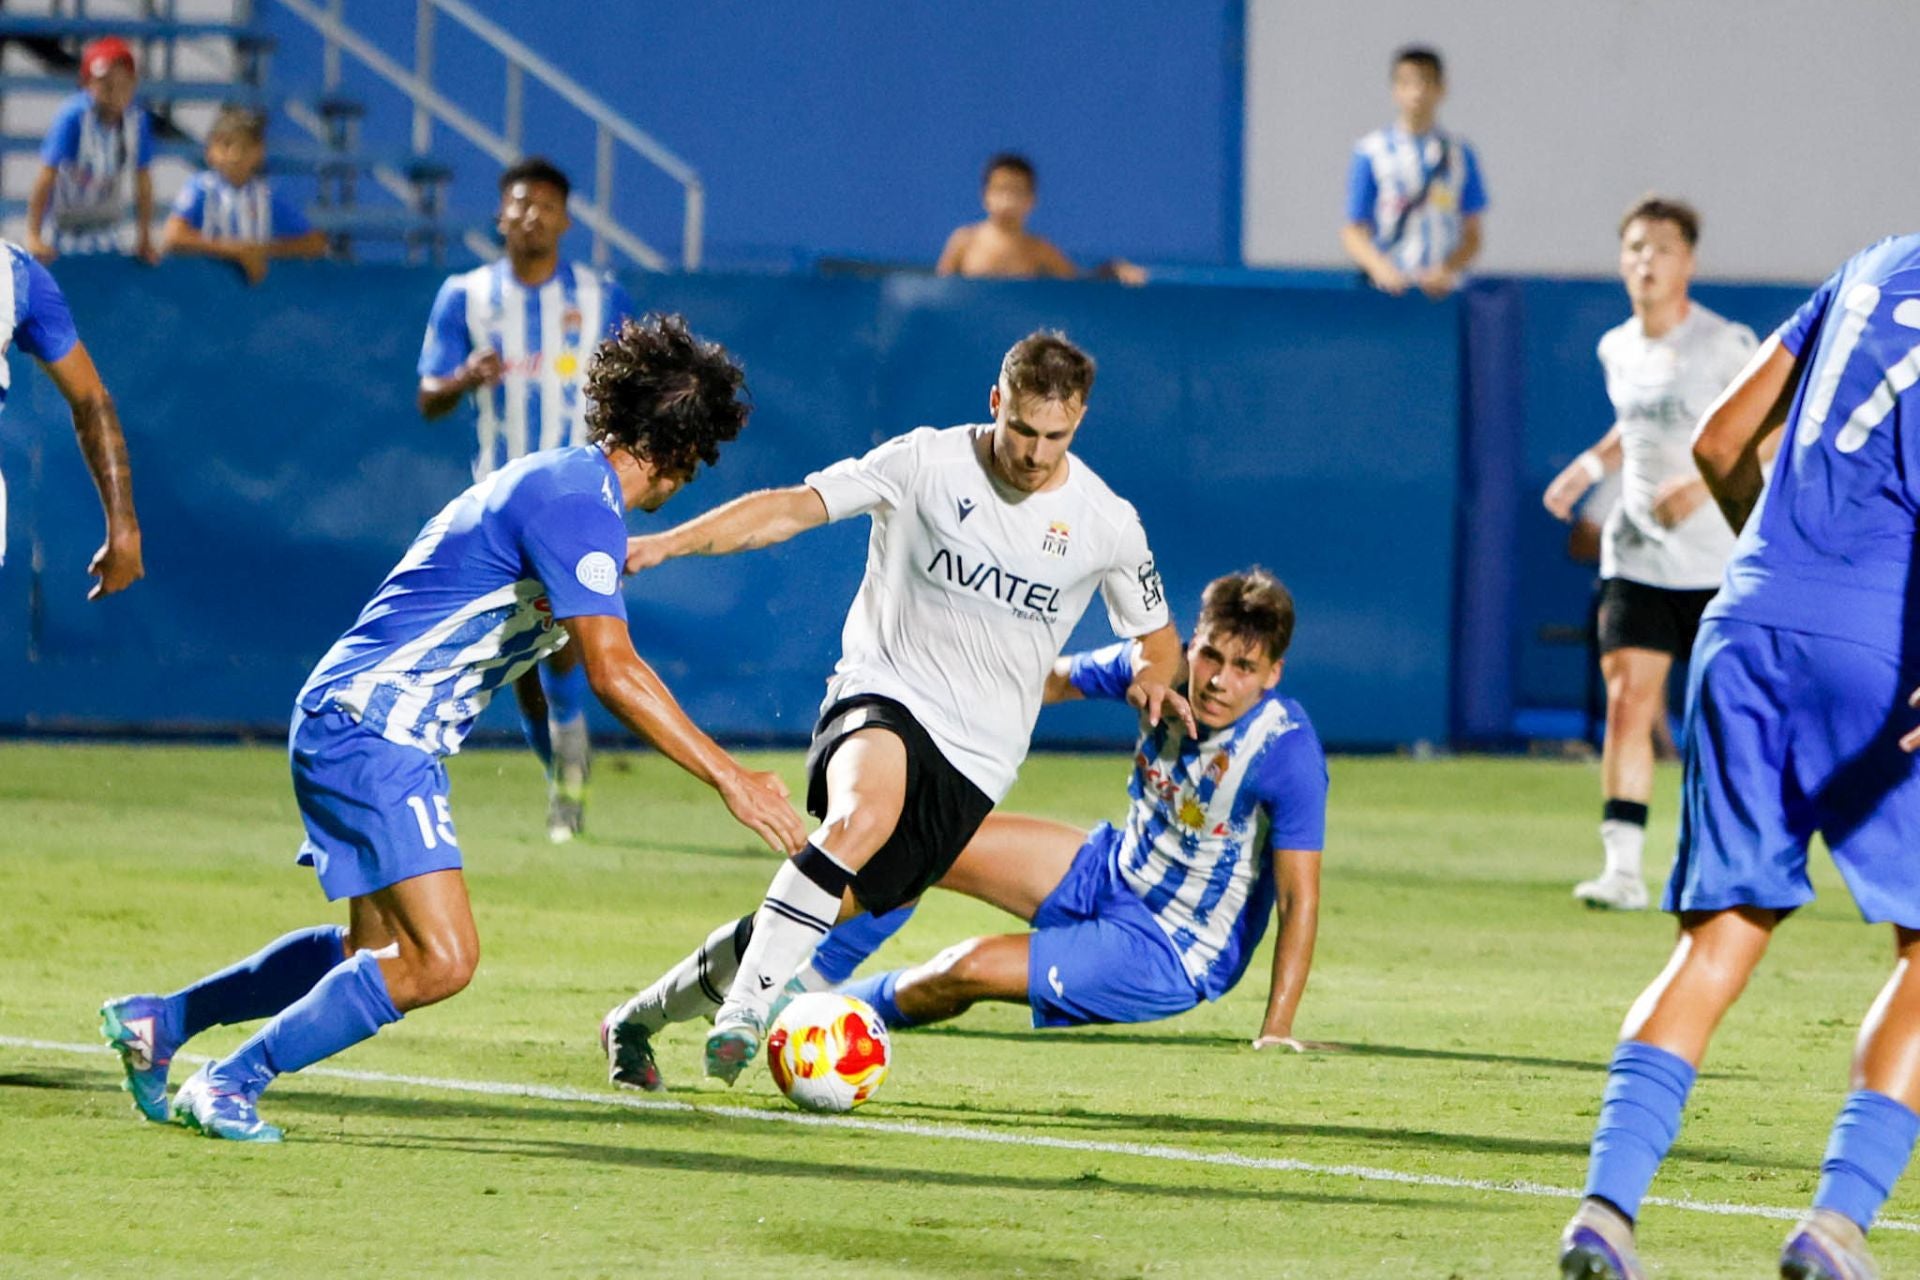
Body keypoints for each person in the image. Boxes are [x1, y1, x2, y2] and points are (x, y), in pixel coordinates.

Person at [97, 315, 807, 1143]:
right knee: (442, 959)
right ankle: (229, 1081)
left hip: (352, 717)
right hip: (375, 729)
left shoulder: (563, 484)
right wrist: (733, 778)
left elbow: (529, 633)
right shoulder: (579, 506)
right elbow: (613, 671)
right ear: (687, 450)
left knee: (368, 952)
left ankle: (162, 1022)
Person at [609, 330, 1188, 1085]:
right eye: (1022, 429)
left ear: (1078, 421)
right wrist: (668, 545)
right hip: (883, 694)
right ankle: (747, 1011)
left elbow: (1157, 641)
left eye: (1056, 437)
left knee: (807, 914)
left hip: (976, 765)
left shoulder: (1106, 522)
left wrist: (1153, 678)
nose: (1035, 453)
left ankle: (636, 1021)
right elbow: (791, 508)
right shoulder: (925, 463)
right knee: (860, 818)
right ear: (996, 401)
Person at [1557, 233, 1920, 1280]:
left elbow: (1720, 443)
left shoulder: (1872, 265)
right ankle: (1836, 1225)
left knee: (1717, 940)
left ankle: (1604, 1213)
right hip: (1875, 650)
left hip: (1745, 622)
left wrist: (1780, 572)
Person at [602, 570, 1328, 1089]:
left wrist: (1277, 1026)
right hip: (1109, 868)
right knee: (921, 843)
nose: (1218, 680)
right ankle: (800, 976)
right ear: (1193, 644)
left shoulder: (1285, 753)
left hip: (1172, 946)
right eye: (1210, 655)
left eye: (1244, 667)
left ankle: (821, 1012)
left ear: (1272, 674)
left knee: (966, 968)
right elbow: (1043, 681)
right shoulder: (1155, 674)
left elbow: (1299, 898)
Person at [1542, 197, 1758, 911]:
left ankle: (1729, 867)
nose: (1646, 260)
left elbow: (1771, 434)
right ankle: (1623, 870)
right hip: (1635, 555)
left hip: (1716, 563)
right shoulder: (1617, 347)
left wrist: (1699, 487)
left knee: (1727, 720)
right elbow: (1633, 427)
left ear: (1688, 262)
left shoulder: (1725, 345)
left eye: (1662, 248)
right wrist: (1588, 467)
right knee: (1629, 702)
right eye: (1635, 247)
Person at [417, 157, 637, 843]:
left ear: (566, 220)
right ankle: (563, 768)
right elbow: (428, 396)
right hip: (497, 505)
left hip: (577, 504)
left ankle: (568, 776)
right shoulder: (466, 295)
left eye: (544, 205)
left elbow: (637, 394)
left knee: (564, 639)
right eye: (519, 203)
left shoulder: (602, 298)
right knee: (524, 660)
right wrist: (462, 377)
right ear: (499, 215)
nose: (530, 215)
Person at [0, 237, 143, 598]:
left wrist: (123, 527)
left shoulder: (17, 274)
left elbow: (90, 400)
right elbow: (90, 400)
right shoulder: (16, 272)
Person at [1340, 46, 1486, 299]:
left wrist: (1447, 269)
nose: (1417, 92)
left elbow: (1473, 233)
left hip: (1442, 291)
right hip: (1388, 290)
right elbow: (1354, 229)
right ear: (1394, 90)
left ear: (1441, 89)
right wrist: (1379, 268)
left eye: (1425, 82)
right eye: (1407, 83)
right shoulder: (1371, 151)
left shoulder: (1459, 153)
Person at [161, 105, 327, 285]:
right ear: (210, 150)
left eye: (245, 147)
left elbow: (315, 243)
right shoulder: (200, 188)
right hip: (204, 288)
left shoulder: (264, 197)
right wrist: (236, 250)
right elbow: (174, 236)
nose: (235, 155)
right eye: (226, 145)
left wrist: (262, 251)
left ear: (260, 152)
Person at [26, 36, 156, 264]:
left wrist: (144, 237)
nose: (114, 92)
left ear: (133, 84)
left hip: (107, 229)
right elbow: (46, 175)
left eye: (123, 83)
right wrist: (34, 236)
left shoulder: (137, 122)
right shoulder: (73, 117)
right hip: (62, 228)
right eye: (106, 83)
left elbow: (143, 179)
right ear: (87, 83)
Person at [936, 153, 1146, 285]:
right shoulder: (964, 241)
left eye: (1016, 191)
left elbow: (1080, 281)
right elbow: (940, 291)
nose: (1007, 199)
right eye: (1000, 190)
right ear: (985, 196)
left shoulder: (1039, 249)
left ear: (1031, 200)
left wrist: (1114, 270)